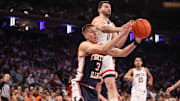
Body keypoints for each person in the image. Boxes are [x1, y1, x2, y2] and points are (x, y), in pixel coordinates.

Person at [71, 24, 142, 101]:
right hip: (81, 85)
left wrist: (136, 42)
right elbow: (104, 49)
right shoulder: (84, 45)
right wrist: (121, 34)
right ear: (85, 35)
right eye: (92, 32)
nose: (96, 34)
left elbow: (123, 53)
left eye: (96, 32)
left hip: (93, 88)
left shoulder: (100, 47)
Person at [91, 1, 134, 100]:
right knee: (95, 88)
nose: (108, 9)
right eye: (106, 7)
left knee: (111, 84)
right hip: (95, 54)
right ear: (99, 9)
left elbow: (118, 44)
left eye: (109, 7)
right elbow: (103, 28)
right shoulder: (97, 20)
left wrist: (126, 31)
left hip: (107, 55)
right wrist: (120, 28)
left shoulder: (112, 24)